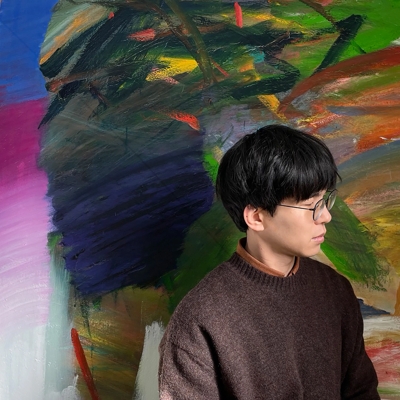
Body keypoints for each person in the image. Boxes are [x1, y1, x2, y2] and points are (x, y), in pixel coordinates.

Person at [158, 125, 379, 399]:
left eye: (325, 200)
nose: (325, 216)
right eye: (310, 205)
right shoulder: (199, 319)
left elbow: (361, 392)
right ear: (256, 217)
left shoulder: (335, 290)